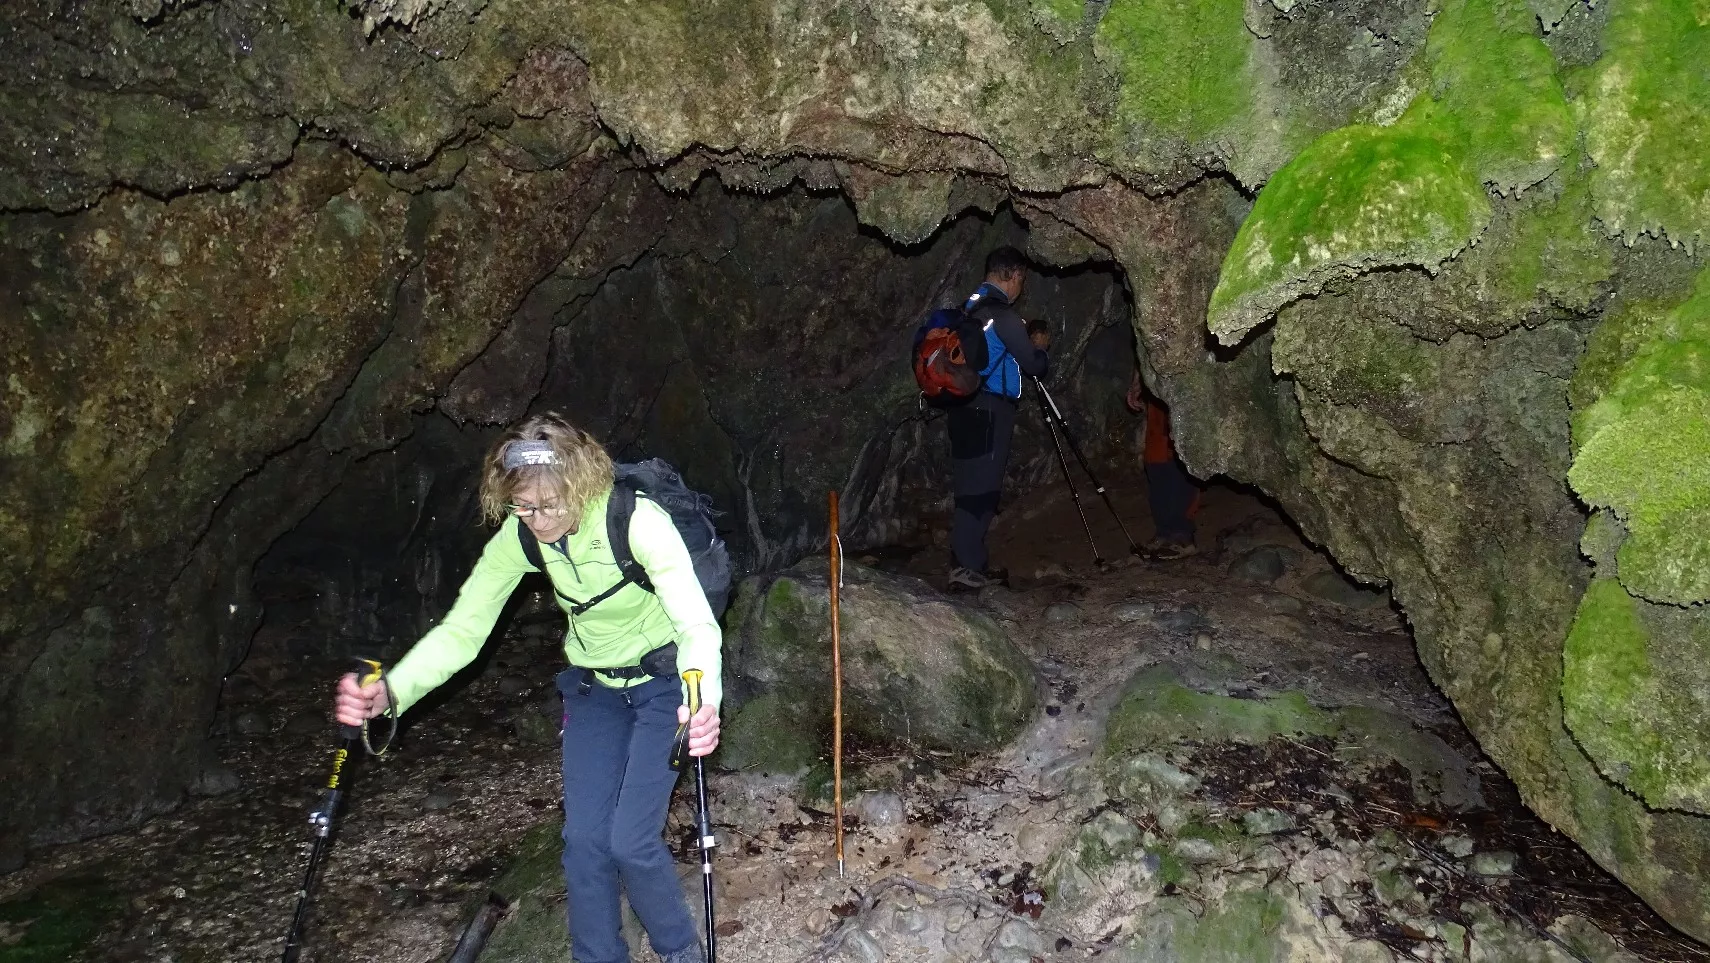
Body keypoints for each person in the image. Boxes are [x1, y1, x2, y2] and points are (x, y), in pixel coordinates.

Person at [333, 413, 721, 963]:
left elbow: (696, 626)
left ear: (581, 486)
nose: (538, 520)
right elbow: (464, 630)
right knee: (583, 841)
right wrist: (391, 691)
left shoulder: (636, 522)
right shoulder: (519, 538)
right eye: (523, 507)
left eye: (550, 505)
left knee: (630, 841)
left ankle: (679, 948)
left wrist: (703, 705)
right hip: (594, 689)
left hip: (665, 685)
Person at [946, 246, 1050, 591]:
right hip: (990, 409)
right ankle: (965, 569)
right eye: (1022, 279)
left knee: (968, 485)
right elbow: (1033, 365)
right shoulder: (1002, 315)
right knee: (983, 490)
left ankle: (971, 561)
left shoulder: (967, 308)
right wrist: (1040, 347)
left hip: (962, 407)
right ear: (1015, 275)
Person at [1126, 368, 1199, 559]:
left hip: (1182, 383)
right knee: (1155, 460)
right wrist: (1137, 380)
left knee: (1177, 459)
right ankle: (1164, 532)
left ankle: (1182, 535)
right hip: (1157, 389)